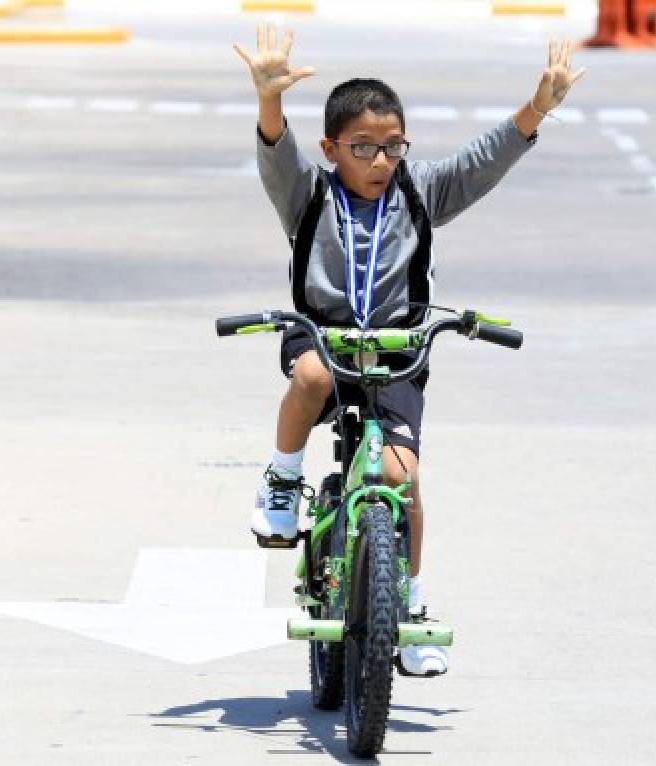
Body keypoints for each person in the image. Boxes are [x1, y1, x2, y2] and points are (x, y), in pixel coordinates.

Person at [232, 24, 584, 676]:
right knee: (309, 373)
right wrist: (268, 97)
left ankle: (410, 606)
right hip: (325, 337)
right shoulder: (307, 194)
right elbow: (274, 154)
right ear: (332, 147)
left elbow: (481, 161)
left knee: (403, 478)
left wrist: (539, 107)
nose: (379, 161)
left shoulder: (421, 192)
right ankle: (282, 481)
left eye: (393, 147)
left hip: (398, 350)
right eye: (362, 147)